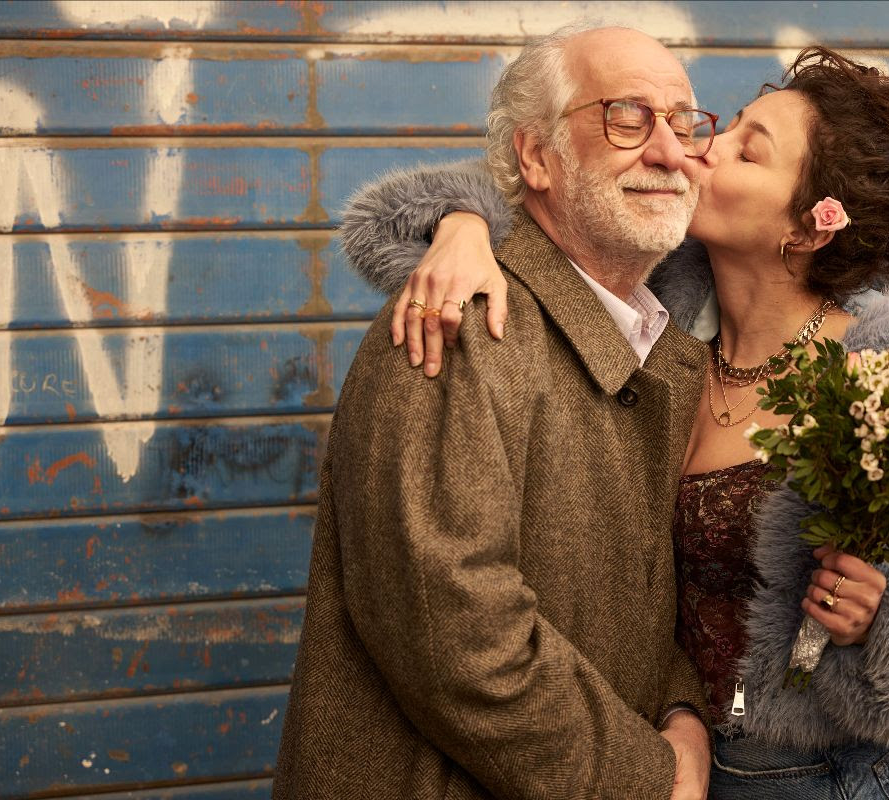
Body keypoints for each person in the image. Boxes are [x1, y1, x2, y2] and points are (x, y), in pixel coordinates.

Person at [341, 45, 889, 799]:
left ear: (810, 227)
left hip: (834, 780)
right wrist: (462, 226)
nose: (699, 149)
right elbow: (557, 193)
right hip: (676, 769)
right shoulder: (659, 330)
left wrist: (886, 617)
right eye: (726, 126)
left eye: (746, 151)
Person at [273, 24, 719, 800]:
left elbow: (649, 592)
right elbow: (453, 629)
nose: (668, 150)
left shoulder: (661, 345)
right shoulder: (459, 321)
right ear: (535, 157)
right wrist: (647, 779)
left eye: (683, 121)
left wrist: (681, 710)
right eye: (626, 117)